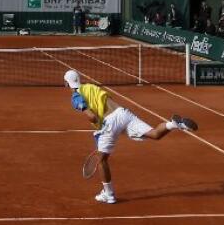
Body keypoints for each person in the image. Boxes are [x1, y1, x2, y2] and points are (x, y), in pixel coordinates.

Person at [63, 69, 197, 204]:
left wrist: (99, 124)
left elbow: (91, 116)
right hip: (123, 113)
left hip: (109, 122)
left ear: (67, 84)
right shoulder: (91, 86)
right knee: (154, 134)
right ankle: (173, 124)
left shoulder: (76, 96)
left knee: (101, 159)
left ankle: (108, 194)